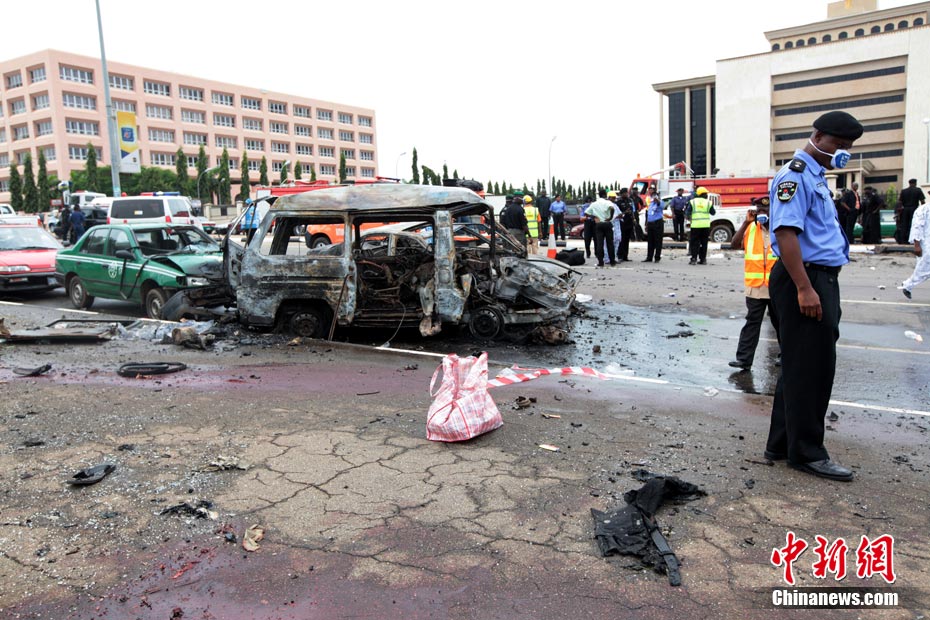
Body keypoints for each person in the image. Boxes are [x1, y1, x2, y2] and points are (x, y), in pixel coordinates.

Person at [766, 109, 863, 482]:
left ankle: (781, 443)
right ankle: (807, 453)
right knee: (814, 368)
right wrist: (805, 288)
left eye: (847, 146)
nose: (842, 152)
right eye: (838, 144)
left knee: (799, 364)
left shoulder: (815, 176)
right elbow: (786, 233)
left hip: (813, 277)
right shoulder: (795, 175)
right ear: (817, 137)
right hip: (805, 278)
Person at [728, 196, 780, 370]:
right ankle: (744, 359)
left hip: (777, 286)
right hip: (755, 287)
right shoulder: (750, 228)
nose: (762, 213)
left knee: (781, 324)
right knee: (752, 323)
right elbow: (734, 244)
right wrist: (746, 223)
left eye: (765, 210)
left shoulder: (780, 228)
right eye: (759, 210)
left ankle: (786, 356)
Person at [899, 201, 929, 299]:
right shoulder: (923, 210)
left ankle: (908, 284)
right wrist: (917, 245)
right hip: (926, 244)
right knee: (924, 269)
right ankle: (908, 285)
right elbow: (917, 227)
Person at [588, 188, 616, 267]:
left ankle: (601, 262)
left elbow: (586, 213)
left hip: (599, 224)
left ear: (599, 195)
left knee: (599, 243)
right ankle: (612, 261)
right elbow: (612, 208)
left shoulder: (594, 203)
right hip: (607, 223)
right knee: (610, 243)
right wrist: (610, 217)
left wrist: (594, 217)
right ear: (605, 195)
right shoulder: (608, 202)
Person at [687, 187, 713, 264]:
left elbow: (688, 212)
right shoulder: (708, 202)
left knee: (694, 243)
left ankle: (693, 259)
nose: (707, 195)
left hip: (695, 225)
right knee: (704, 243)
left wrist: (689, 218)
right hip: (705, 226)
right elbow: (713, 212)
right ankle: (703, 259)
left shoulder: (692, 202)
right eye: (705, 194)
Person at [897, 178, 925, 245]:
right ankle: (911, 239)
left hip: (905, 210)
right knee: (913, 224)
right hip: (914, 209)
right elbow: (922, 201)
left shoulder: (904, 191)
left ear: (909, 183)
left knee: (904, 224)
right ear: (915, 183)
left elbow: (900, 202)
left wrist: (900, 210)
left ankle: (903, 240)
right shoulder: (918, 190)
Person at [643, 188, 664, 262]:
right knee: (650, 241)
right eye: (652, 196)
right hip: (650, 223)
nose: (653, 197)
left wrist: (657, 200)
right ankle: (649, 257)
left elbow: (660, 205)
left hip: (657, 223)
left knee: (658, 241)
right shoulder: (651, 204)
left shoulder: (660, 202)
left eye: (655, 196)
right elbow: (649, 214)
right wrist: (647, 224)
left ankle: (657, 257)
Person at [616, 188, 635, 262]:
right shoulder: (618, 202)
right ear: (622, 194)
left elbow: (632, 210)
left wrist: (633, 218)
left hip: (629, 222)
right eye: (625, 193)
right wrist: (625, 212)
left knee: (627, 240)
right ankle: (620, 256)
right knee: (621, 240)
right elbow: (617, 214)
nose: (626, 194)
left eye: (627, 193)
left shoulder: (630, 200)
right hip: (622, 223)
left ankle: (625, 256)